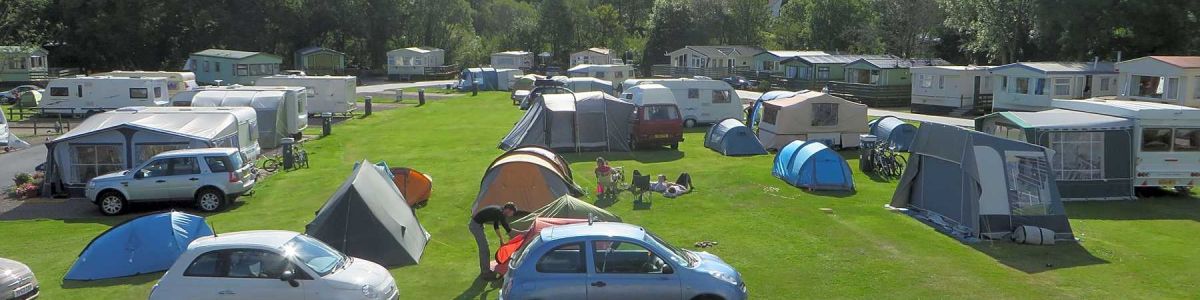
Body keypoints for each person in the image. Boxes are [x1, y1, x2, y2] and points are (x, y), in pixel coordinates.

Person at [469, 202, 516, 280]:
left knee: (485, 248)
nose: (511, 215)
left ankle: (486, 270)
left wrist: (501, 239)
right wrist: (520, 234)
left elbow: (496, 226)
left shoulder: (499, 210)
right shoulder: (500, 213)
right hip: (475, 226)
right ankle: (485, 273)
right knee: (484, 250)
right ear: (508, 210)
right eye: (512, 213)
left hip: (478, 225)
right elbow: (507, 228)